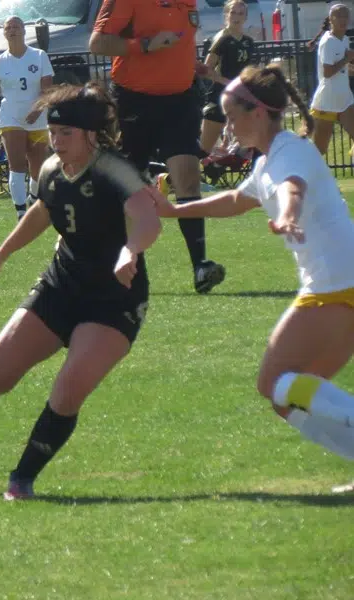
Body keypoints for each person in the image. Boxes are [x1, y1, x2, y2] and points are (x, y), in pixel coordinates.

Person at [0, 83, 162, 500]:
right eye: (53, 132)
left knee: (67, 391)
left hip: (113, 299)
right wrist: (1, 253)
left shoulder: (114, 168)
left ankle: (21, 479)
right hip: (61, 285)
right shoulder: (50, 168)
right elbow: (44, 211)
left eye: (66, 134)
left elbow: (147, 219)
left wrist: (130, 251)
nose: (56, 141)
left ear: (89, 135)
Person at [153, 63, 354, 468]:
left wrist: (288, 215)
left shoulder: (288, 152)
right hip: (339, 279)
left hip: (334, 282)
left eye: (231, 118)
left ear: (258, 113)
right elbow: (236, 201)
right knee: (291, 396)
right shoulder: (267, 162)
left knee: (273, 384)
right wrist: (174, 212)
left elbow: (291, 187)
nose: (227, 128)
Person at [89, 0, 226, 294]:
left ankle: (200, 266)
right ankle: (122, 265)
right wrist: (146, 44)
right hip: (134, 99)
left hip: (181, 99)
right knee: (129, 185)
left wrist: (190, 66)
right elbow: (98, 43)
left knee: (188, 176)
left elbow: (180, 41)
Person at [0, 16, 54, 220]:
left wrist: (37, 110)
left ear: (24, 30)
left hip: (38, 120)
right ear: (4, 33)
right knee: (16, 165)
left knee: (37, 168)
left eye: (16, 26)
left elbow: (47, 89)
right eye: (9, 27)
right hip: (11, 119)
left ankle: (33, 196)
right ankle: (21, 211)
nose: (13, 30)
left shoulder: (39, 56)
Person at [199, 0, 255, 155]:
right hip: (219, 98)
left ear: (245, 17)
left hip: (240, 100)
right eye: (233, 13)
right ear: (226, 15)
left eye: (240, 13)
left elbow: (249, 71)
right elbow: (206, 70)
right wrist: (229, 83)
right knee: (203, 151)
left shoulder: (248, 42)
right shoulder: (221, 39)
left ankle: (221, 160)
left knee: (249, 145)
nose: (236, 17)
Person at [309, 4, 354, 155]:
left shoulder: (345, 39)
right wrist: (347, 59)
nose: (343, 19)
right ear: (331, 19)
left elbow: (341, 69)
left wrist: (349, 67)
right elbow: (328, 72)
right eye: (338, 16)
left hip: (345, 99)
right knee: (319, 150)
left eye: (345, 16)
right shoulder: (328, 42)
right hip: (327, 101)